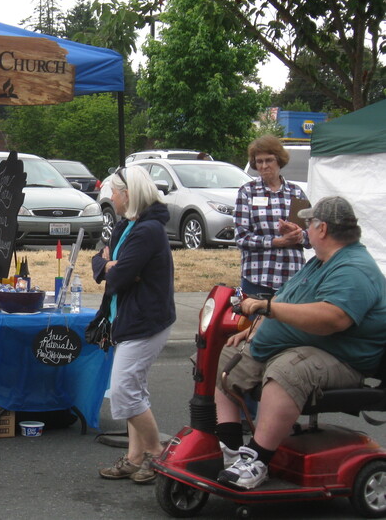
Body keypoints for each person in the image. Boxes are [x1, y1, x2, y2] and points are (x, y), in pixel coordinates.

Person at [215, 196, 386, 490]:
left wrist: (267, 307)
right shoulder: (320, 263)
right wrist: (256, 328)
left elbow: (333, 318)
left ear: (322, 229)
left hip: (344, 359)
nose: (305, 228)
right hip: (311, 346)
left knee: (289, 369)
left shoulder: (354, 268)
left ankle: (257, 460)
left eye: (309, 223)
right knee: (231, 354)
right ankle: (231, 452)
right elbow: (287, 298)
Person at [92, 164, 176, 484]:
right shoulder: (129, 226)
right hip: (129, 316)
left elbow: (119, 274)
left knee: (125, 391)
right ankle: (134, 457)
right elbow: (103, 262)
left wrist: (113, 265)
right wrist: (108, 263)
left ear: (128, 195)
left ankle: (155, 453)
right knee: (133, 389)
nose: (111, 197)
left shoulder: (147, 230)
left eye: (114, 192)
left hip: (146, 320)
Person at [235, 135, 309, 296]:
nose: (264, 166)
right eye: (259, 161)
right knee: (256, 322)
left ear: (279, 160)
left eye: (269, 160)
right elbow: (241, 238)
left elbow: (312, 237)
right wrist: (276, 242)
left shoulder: (296, 193)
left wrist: (297, 235)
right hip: (257, 277)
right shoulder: (247, 192)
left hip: (292, 277)